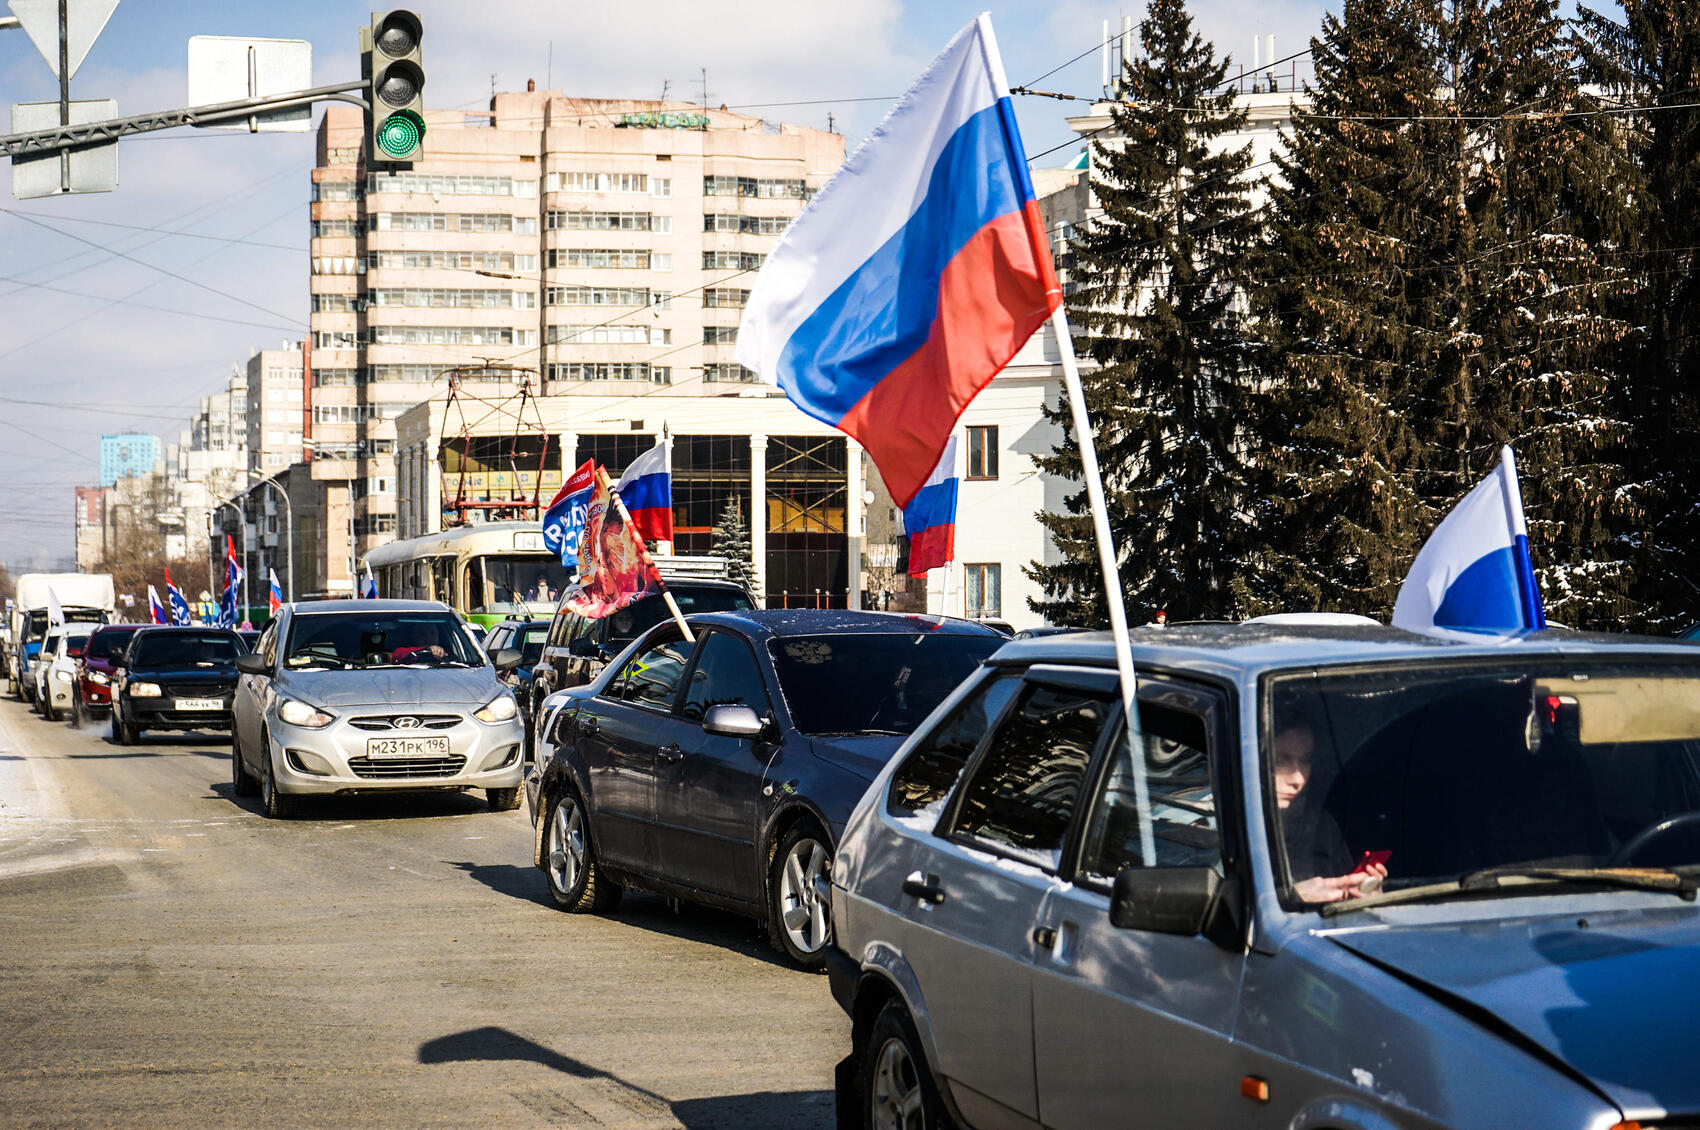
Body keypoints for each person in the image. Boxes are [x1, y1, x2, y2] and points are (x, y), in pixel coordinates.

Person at [1273, 718, 1388, 903]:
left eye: (1305, 761)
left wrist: (1363, 898)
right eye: (1280, 761)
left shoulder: (1321, 826)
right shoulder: (1222, 822)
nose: (1297, 779)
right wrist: (1289, 899)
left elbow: (1343, 890)